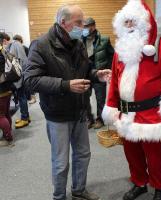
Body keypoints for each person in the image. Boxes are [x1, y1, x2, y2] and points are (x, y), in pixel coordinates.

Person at [24, 4, 111, 200]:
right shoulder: (41, 45)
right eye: (79, 22)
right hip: (57, 114)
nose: (84, 26)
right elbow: (30, 81)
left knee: (83, 155)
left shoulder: (78, 44)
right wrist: (65, 85)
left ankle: (79, 191)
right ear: (63, 23)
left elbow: (85, 70)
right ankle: (59, 196)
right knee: (61, 162)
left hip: (80, 110)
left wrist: (97, 74)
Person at [102, 0, 161, 200]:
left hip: (151, 114)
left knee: (155, 156)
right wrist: (111, 106)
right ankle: (139, 182)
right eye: (126, 22)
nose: (129, 26)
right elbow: (115, 81)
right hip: (126, 113)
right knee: (132, 154)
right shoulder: (120, 50)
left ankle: (159, 186)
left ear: (145, 22)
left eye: (133, 21)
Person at [82, 17, 114, 129]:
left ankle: (100, 119)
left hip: (99, 73)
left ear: (93, 26)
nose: (85, 29)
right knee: (84, 97)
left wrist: (109, 70)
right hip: (85, 73)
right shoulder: (80, 40)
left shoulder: (104, 39)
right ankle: (89, 118)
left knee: (100, 98)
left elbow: (112, 56)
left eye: (87, 26)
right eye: (83, 26)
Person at [10, 34, 30, 128]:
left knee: (22, 97)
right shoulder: (18, 45)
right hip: (22, 75)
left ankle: (24, 118)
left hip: (19, 76)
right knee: (23, 97)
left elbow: (21, 61)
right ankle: (26, 117)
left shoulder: (15, 45)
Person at [0, 33, 13, 144]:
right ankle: (8, 132)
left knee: (0, 116)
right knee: (6, 113)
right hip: (7, 88)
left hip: (1, 90)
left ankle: (7, 137)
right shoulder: (4, 52)